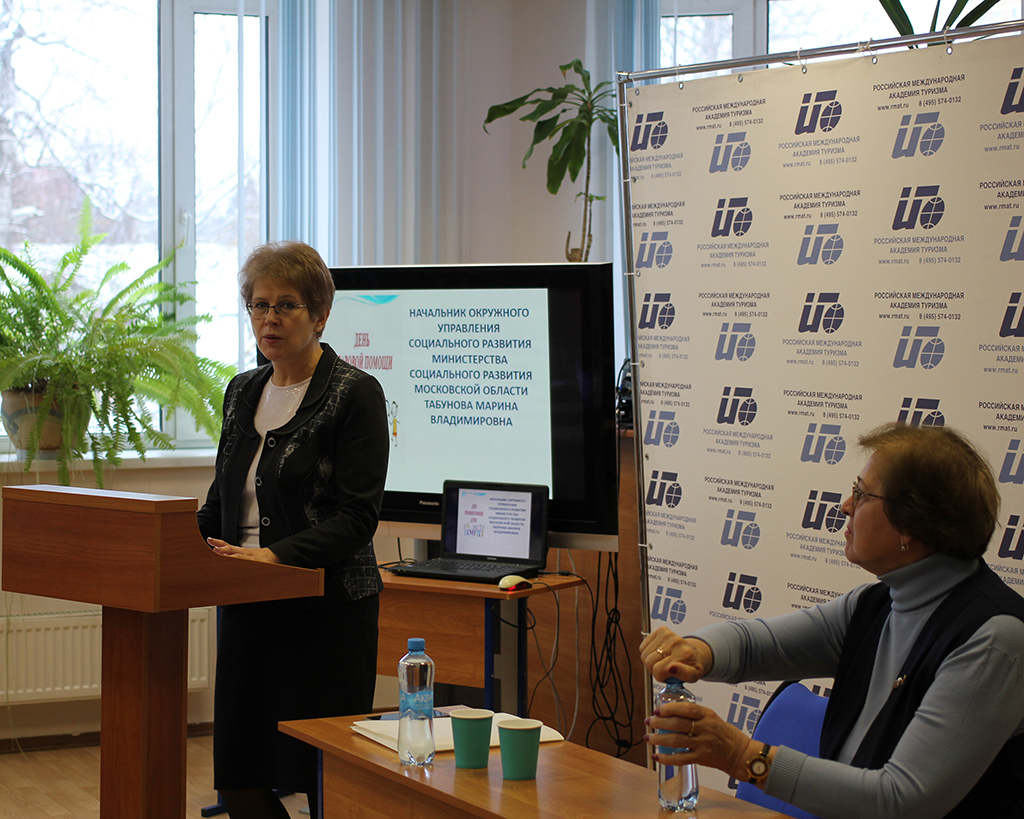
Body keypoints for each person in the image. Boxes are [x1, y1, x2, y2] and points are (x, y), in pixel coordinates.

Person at [641, 422, 1024, 819]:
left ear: (911, 524)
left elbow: (901, 800)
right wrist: (696, 651)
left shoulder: (996, 639)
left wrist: (741, 756)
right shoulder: (877, 605)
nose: (845, 505)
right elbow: (758, 646)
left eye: (862, 494)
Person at [197, 241, 389, 819]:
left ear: (320, 314)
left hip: (325, 613)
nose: (269, 319)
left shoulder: (354, 392)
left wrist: (276, 556)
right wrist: (172, 542)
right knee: (240, 777)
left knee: (321, 780)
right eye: (259, 305)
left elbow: (357, 517)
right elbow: (221, 500)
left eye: (286, 305)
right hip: (247, 603)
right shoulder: (242, 390)